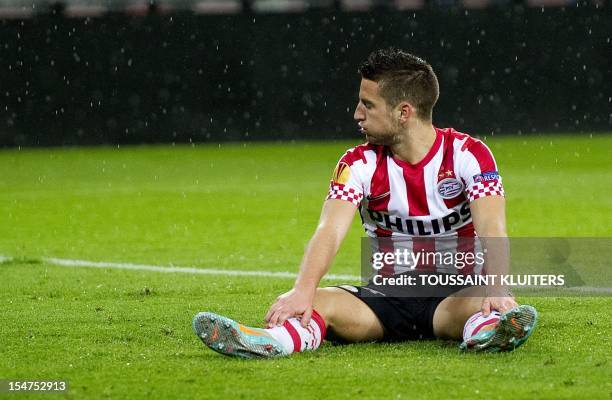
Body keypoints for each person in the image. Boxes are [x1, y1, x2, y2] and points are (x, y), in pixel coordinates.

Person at [192, 48, 537, 358]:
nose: (357, 114)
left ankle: (491, 331)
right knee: (316, 303)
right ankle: (267, 342)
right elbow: (330, 230)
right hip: (384, 301)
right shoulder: (357, 164)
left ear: (404, 112)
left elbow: (493, 227)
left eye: (367, 105)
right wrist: (302, 290)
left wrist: (497, 286)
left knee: (487, 305)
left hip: (454, 298)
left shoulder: (469, 155)